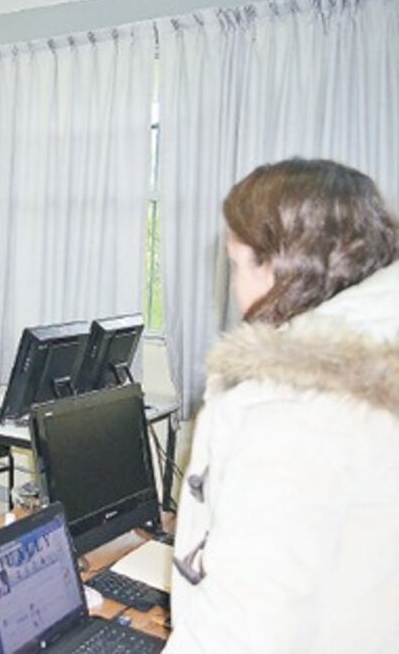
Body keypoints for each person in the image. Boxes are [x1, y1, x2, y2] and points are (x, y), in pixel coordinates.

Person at [165, 159, 399, 652]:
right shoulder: (377, 354)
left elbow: (242, 631)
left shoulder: (289, 407)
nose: (234, 286)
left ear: (277, 266)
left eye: (235, 265)